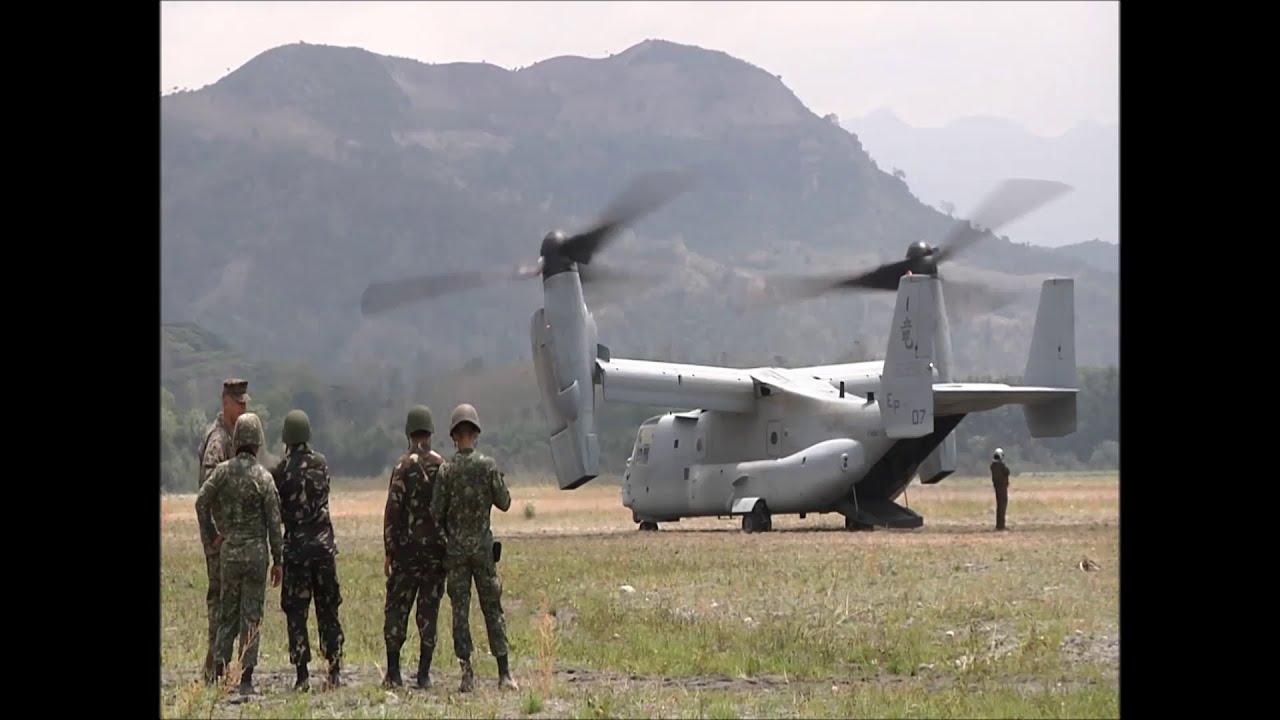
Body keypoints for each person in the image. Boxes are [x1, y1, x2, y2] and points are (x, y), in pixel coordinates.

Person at [195, 412, 284, 696]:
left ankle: (220, 670)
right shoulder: (264, 478)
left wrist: (212, 536)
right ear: (257, 442)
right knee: (252, 616)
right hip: (257, 555)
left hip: (229, 553)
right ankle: (245, 679)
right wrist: (278, 560)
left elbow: (201, 502)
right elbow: (274, 522)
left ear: (236, 441)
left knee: (228, 615)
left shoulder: (222, 472)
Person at [431, 403, 517, 692]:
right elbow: (504, 502)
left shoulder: (446, 470)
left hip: (455, 553)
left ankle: (467, 673)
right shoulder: (488, 466)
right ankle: (504, 674)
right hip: (482, 549)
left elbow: (435, 512)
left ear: (455, 436)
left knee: (460, 611)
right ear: (476, 435)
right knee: (492, 607)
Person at [271, 409, 344, 691]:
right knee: (328, 609)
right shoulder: (321, 464)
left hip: (296, 550)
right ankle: (334, 669)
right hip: (324, 548)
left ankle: (302, 675)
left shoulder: (280, 471)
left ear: (287, 437)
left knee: (296, 611)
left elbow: (278, 511)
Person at [382, 405, 448, 689]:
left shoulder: (402, 466)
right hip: (435, 554)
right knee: (428, 611)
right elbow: (448, 510)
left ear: (409, 433)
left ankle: (394, 673)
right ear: (430, 433)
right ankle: (423, 674)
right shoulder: (442, 465)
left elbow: (392, 511)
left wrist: (390, 549)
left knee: (397, 609)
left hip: (406, 554)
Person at [196, 377, 251, 683]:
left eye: (246, 404)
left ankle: (215, 667)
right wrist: (215, 532)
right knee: (220, 599)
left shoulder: (234, 435)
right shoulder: (219, 440)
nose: (243, 409)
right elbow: (205, 493)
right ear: (226, 403)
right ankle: (212, 669)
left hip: (229, 536)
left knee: (228, 599)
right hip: (219, 539)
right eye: (239, 404)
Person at [991, 448, 1011, 531]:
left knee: (999, 506)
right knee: (1002, 506)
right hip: (1002, 488)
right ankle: (1001, 525)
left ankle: (999, 524)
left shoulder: (993, 466)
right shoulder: (1001, 466)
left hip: (997, 488)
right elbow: (1007, 471)